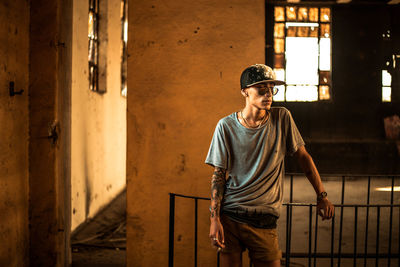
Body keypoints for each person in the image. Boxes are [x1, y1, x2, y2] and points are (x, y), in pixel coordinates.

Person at [205, 64, 334, 267]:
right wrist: (214, 220)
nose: (268, 94)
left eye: (271, 88)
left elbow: (304, 158)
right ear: (245, 91)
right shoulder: (226, 126)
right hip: (230, 217)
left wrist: (322, 196)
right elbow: (218, 175)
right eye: (261, 89)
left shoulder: (282, 118)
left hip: (264, 219)